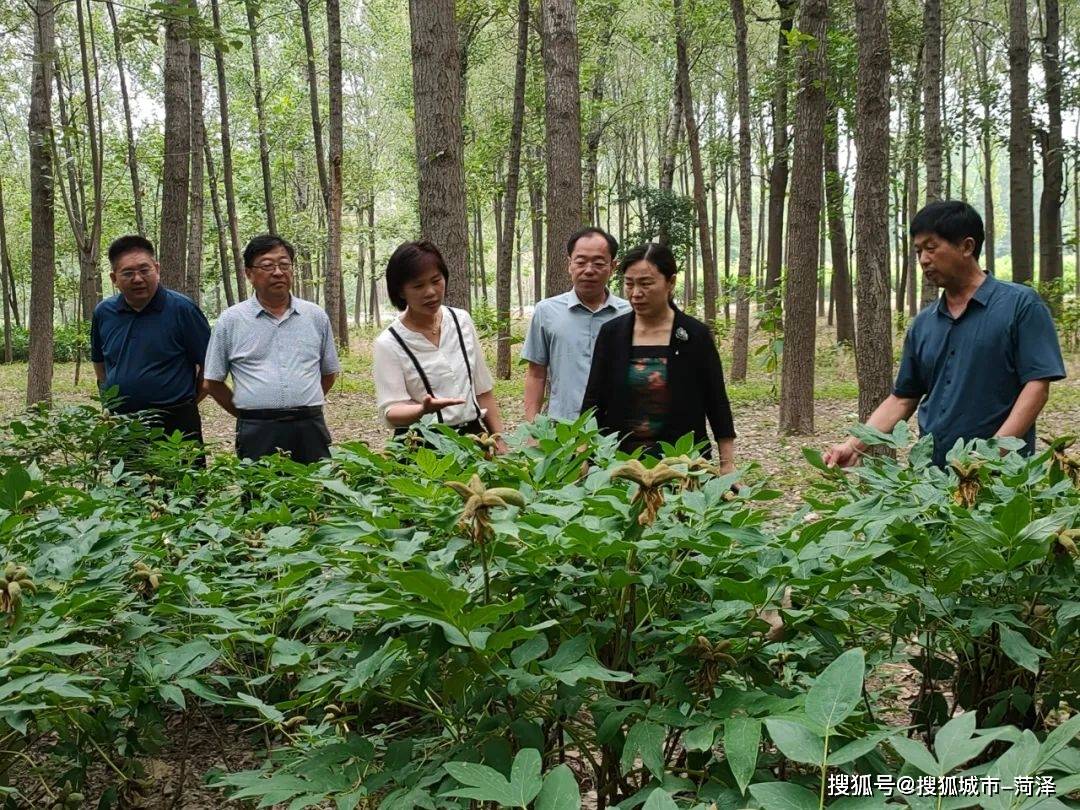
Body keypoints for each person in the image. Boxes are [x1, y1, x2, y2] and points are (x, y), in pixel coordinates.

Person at [825, 200, 1066, 469]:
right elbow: (903, 398)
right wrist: (854, 444)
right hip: (934, 478)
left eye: (931, 247)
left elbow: (1036, 387)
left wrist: (992, 455)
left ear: (967, 246)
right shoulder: (924, 324)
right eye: (918, 251)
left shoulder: (1020, 305)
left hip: (1002, 478)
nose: (924, 260)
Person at [581, 242, 736, 470]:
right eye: (629, 284)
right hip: (618, 463)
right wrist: (584, 455)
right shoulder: (611, 334)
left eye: (646, 283)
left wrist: (727, 464)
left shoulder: (695, 335)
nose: (636, 293)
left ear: (670, 282)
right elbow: (593, 400)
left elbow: (717, 402)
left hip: (682, 464)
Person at [203, 234, 341, 463]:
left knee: (315, 492)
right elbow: (213, 381)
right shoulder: (231, 320)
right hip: (257, 430)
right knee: (260, 494)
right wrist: (248, 413)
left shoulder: (315, 316)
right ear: (249, 274)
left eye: (284, 265)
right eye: (267, 265)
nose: (278, 272)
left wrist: (302, 401)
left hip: (310, 427)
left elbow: (328, 373)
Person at [373, 240, 506, 447]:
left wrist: (499, 440)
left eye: (436, 280)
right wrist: (422, 410)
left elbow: (483, 390)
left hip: (473, 437)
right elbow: (391, 411)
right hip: (422, 442)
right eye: (418, 286)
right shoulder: (389, 343)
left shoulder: (461, 320)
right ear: (400, 291)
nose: (431, 292)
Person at [91, 234, 211, 445]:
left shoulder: (182, 309)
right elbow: (100, 363)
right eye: (128, 273)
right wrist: (108, 400)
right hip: (123, 422)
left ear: (157, 268)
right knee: (127, 478)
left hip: (177, 423)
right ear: (114, 278)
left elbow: (209, 365)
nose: (137, 279)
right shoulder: (104, 312)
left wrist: (189, 402)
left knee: (180, 477)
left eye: (144, 270)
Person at [521, 227, 631, 421]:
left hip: (617, 430)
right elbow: (536, 375)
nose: (589, 270)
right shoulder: (546, 311)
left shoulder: (630, 313)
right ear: (569, 264)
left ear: (613, 267)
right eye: (580, 262)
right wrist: (533, 429)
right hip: (563, 428)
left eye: (598, 263)